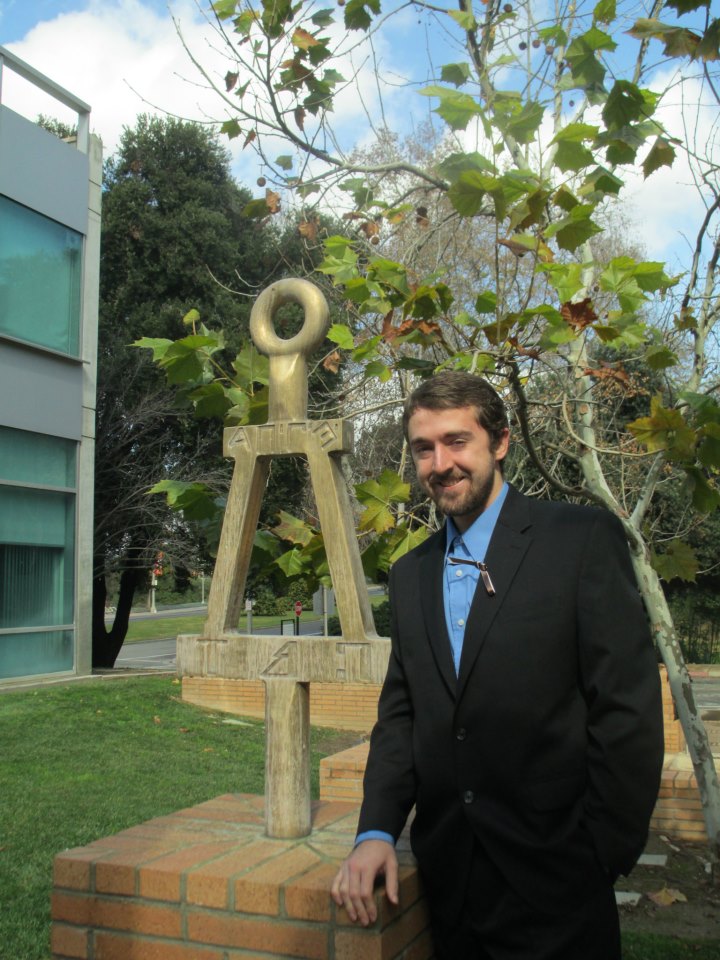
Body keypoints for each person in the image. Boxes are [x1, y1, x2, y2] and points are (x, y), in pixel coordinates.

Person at [331, 371, 664, 960]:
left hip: (560, 885)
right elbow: (402, 717)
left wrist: (602, 852)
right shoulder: (410, 575)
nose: (440, 464)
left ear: (501, 441)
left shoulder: (581, 541)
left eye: (457, 441)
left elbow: (626, 711)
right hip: (450, 888)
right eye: (424, 448)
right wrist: (376, 831)